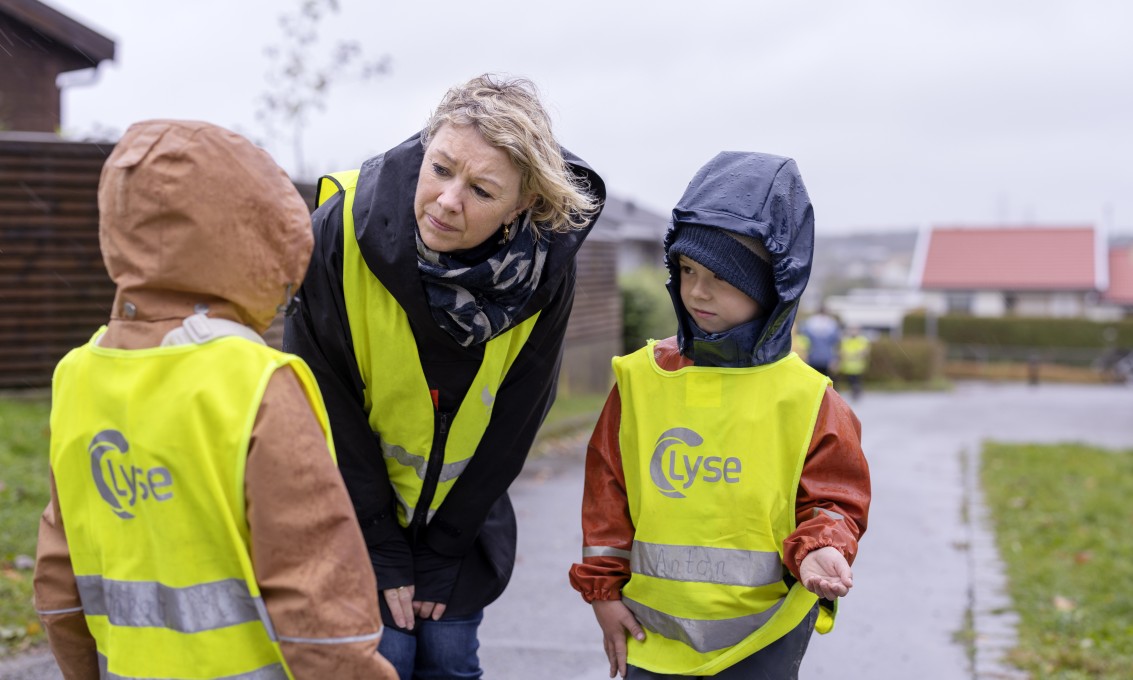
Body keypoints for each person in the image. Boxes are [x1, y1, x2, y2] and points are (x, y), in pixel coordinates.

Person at [33, 120, 396, 678]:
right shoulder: (256, 383)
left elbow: (58, 585)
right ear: (260, 235)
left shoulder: (77, 376)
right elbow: (318, 597)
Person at [284, 74, 605, 679]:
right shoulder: (337, 229)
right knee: (391, 658)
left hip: (462, 521)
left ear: (524, 207)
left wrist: (446, 544)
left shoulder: (544, 272)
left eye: (482, 189)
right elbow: (319, 393)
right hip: (350, 507)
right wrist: (379, 539)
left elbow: (518, 413)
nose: (448, 200)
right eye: (440, 168)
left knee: (450, 659)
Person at [569, 152, 871, 679]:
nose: (697, 292)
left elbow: (833, 500)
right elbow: (607, 497)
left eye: (724, 278)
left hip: (767, 639)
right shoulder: (641, 380)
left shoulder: (810, 398)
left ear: (776, 284)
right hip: (652, 639)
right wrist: (602, 592)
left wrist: (822, 547)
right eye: (687, 270)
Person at [799, 305, 842, 376]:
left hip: (813, 357)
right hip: (825, 357)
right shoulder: (832, 324)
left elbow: (804, 341)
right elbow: (835, 344)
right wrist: (835, 359)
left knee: (814, 378)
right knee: (825, 379)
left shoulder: (809, 323)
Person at [839, 325, 871, 399]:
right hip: (848, 366)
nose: (853, 332)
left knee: (857, 380)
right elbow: (842, 352)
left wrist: (852, 355)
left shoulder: (862, 340)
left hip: (858, 366)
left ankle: (856, 391)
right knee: (851, 380)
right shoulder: (846, 340)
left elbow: (864, 351)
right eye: (852, 330)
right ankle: (854, 391)